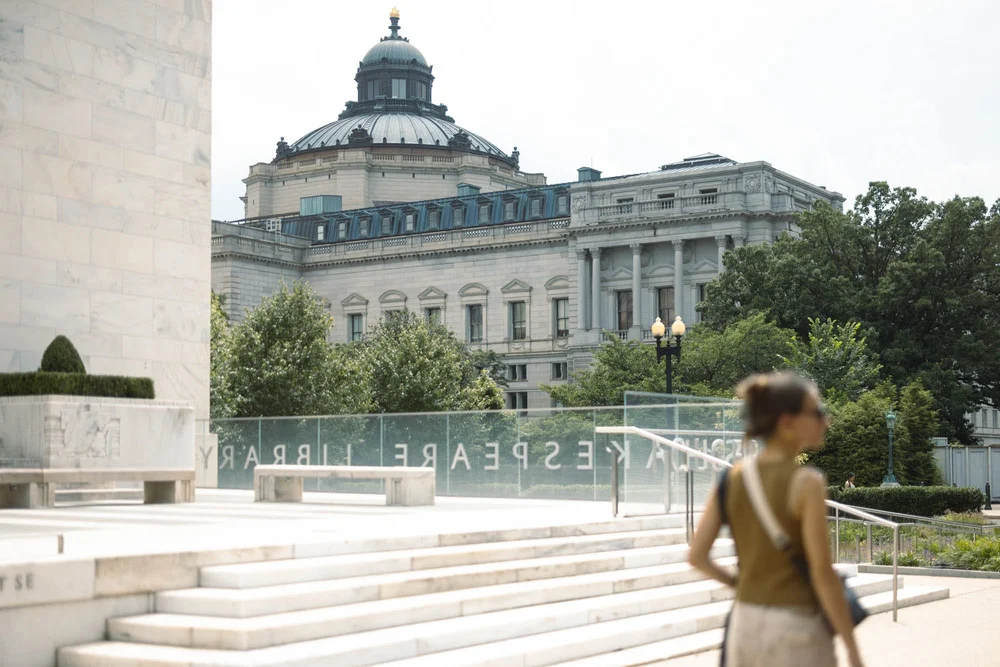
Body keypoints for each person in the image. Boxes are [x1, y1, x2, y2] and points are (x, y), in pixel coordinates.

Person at [687, 372, 865, 667]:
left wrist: (743, 586)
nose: (826, 420)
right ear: (787, 422)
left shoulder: (733, 477)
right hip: (796, 628)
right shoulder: (807, 483)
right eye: (817, 412)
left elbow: (697, 556)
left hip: (745, 625)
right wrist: (853, 651)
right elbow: (822, 574)